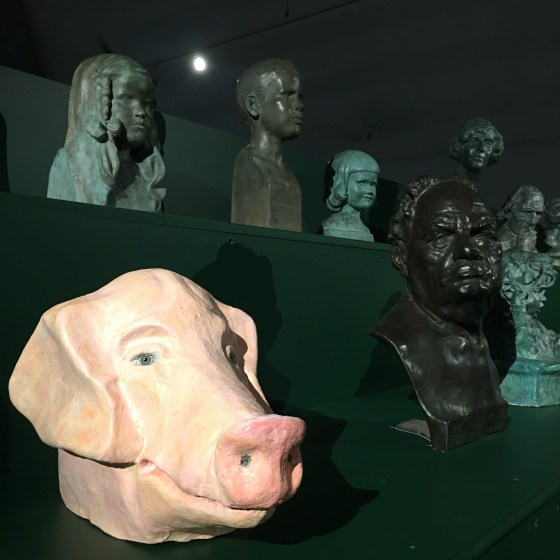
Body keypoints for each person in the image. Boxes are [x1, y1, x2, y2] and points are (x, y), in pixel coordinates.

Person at [370, 176, 508, 451]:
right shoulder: (404, 340)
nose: (468, 250)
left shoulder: (481, 341)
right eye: (442, 237)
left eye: (482, 235)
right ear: (401, 257)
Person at [47, 54, 166, 212]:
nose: (141, 112)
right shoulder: (69, 162)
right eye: (126, 98)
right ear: (97, 102)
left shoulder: (150, 175)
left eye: (147, 103)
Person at [231, 59, 303, 231]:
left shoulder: (288, 174)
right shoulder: (247, 164)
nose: (299, 105)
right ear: (253, 105)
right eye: (287, 95)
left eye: (299, 96)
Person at [321, 150, 379, 242]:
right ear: (342, 182)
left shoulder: (365, 229)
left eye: (373, 184)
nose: (370, 191)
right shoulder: (333, 226)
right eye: (362, 182)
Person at [449, 117, 504, 187]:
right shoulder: (445, 188)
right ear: (459, 146)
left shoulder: (470, 188)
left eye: (488, 144)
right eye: (474, 141)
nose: (481, 148)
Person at [496, 185, 544, 252]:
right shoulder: (492, 240)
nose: (533, 222)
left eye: (538, 213)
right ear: (510, 208)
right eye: (527, 211)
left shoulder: (532, 242)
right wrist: (522, 252)